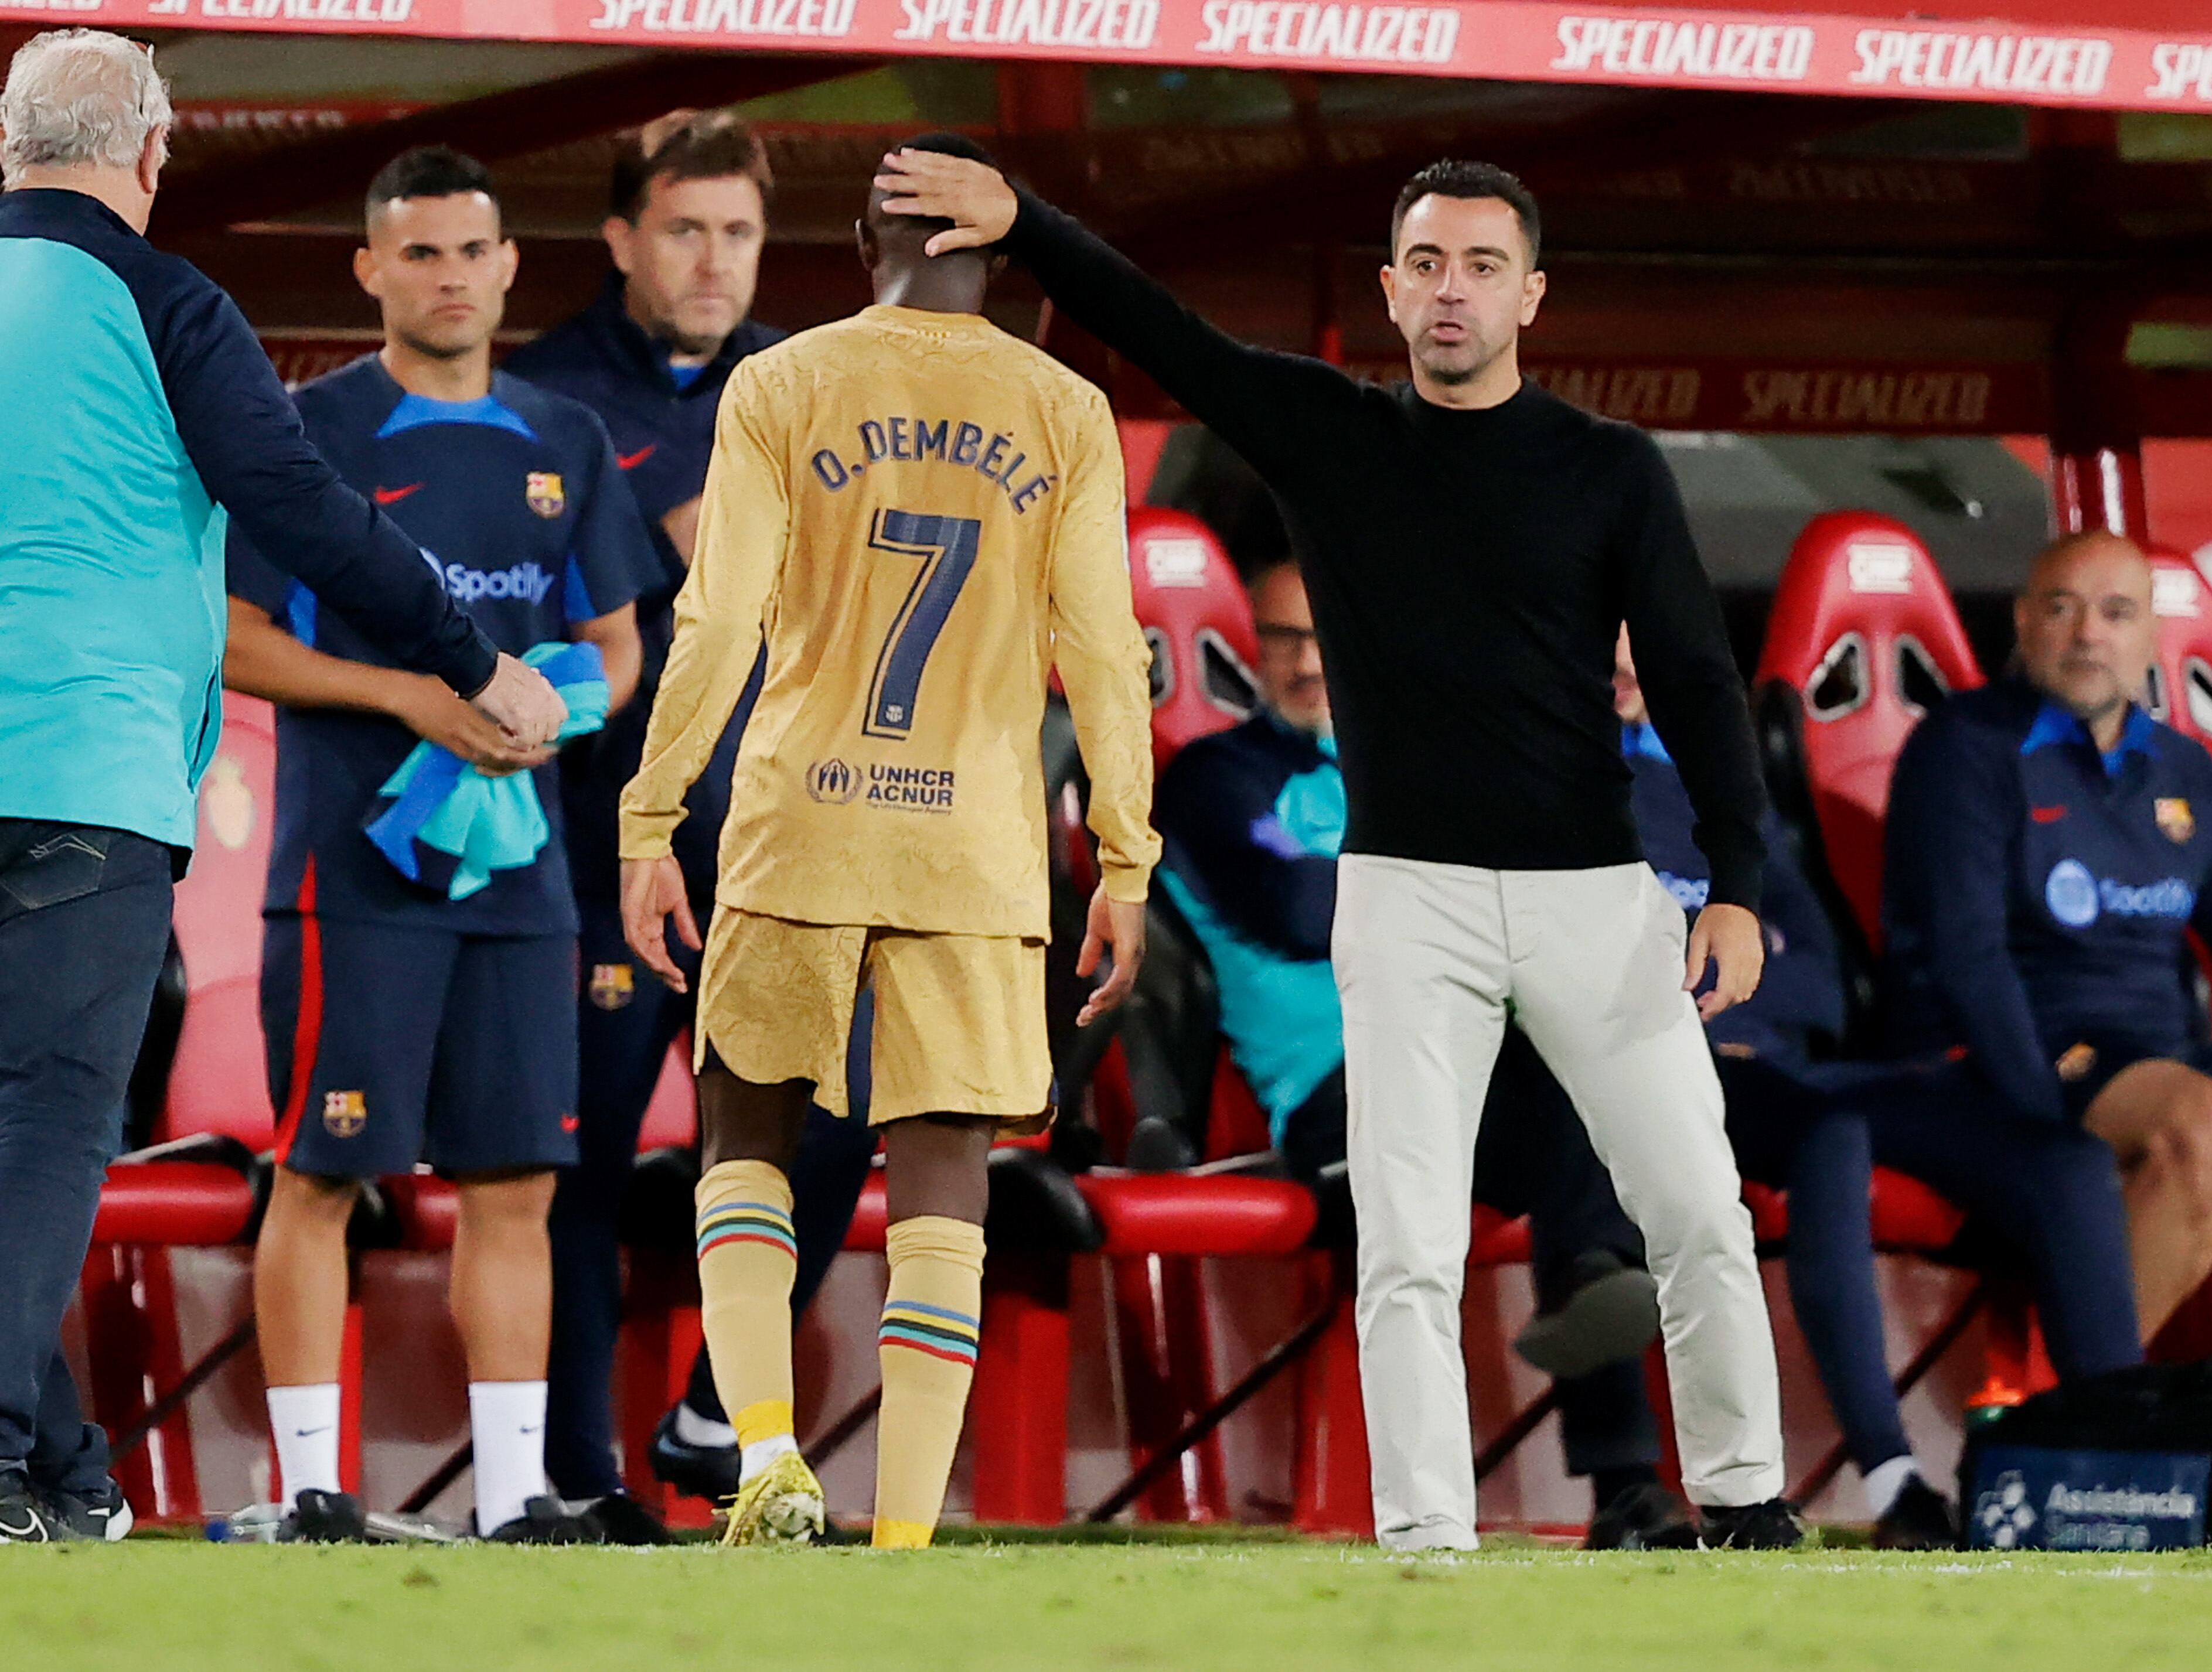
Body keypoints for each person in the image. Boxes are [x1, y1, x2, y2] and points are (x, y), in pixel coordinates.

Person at [880, 150, 1797, 1550]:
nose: (1451, 291)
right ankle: (1427, 1539)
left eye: (1482, 266)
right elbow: (1162, 333)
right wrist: (1029, 230)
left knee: (1698, 1207)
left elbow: (1692, 680)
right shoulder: (1326, 430)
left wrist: (1732, 879)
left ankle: (1743, 1499)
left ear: (1530, 296)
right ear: (1388, 286)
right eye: (1426, 264)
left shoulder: (1609, 470)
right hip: (1405, 896)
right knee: (1412, 1242)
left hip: (1594, 894)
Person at [0, 30, 561, 1545]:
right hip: (86, 779)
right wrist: (467, 657)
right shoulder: (165, 299)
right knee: (49, 1125)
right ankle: (5, 1469)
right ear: (152, 154)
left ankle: (65, 1478)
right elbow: (303, 508)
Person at [618, 132, 1157, 1548]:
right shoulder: (1067, 411)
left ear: (862, 252)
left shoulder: (781, 383)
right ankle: (906, 1534)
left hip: (801, 820)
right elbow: (1104, 652)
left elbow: (717, 623)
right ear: (1001, 266)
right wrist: (1122, 856)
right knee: (943, 1184)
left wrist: (650, 815)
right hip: (970, 842)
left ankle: (764, 1450)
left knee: (742, 1133)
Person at [224, 147, 655, 1543]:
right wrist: (417, 696)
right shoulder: (305, 434)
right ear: (368, 270)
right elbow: (233, 639)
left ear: (510, 264)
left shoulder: (567, 442)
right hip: (349, 873)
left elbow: (616, 644)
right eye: (418, 254)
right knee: (325, 1170)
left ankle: (517, 1492)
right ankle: (307, 1493)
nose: (450, 276)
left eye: (471, 251)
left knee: (516, 1178)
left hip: (523, 874)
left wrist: (548, 715)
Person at [505, 110, 877, 1535]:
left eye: (736, 231)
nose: (714, 259)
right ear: (620, 241)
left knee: (836, 1109)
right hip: (603, 839)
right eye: (683, 228)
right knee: (584, 1159)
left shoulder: (805, 382)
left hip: (785, 838)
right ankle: (577, 1476)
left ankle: (717, 1410)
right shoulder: (544, 398)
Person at [1157, 564, 1681, 1550]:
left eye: (1324, 637)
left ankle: (1622, 1468)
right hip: (1335, 1092)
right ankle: (1588, 1439)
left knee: (1588, 1093)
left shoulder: (1436, 763)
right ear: (1249, 653)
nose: (1306, 663)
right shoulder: (1214, 778)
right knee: (1541, 1139)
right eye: (1280, 640)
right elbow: (1296, 909)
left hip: (1473, 1059)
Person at [1614, 629, 2142, 1548]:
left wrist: (1718, 961)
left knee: (2064, 1160)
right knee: (1833, 1133)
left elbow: (1822, 974)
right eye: (1600, 649)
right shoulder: (1551, 794)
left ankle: (2125, 1475)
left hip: (1785, 1066)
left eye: (1638, 649)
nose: (1625, 670)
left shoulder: (1712, 788)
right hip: (1665, 1074)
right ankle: (1895, 1481)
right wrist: (1737, 956)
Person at [1884, 531, 2212, 1379]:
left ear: (2149, 640)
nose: (2087, 633)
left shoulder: (2183, 771)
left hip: (2161, 1055)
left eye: (2115, 612)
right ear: (2024, 624)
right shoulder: (1963, 748)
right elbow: (1967, 960)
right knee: (2206, 1125)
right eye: (2061, 608)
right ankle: (2091, 1420)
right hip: (2016, 1053)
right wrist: (2036, 1124)